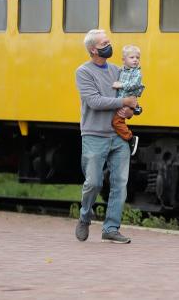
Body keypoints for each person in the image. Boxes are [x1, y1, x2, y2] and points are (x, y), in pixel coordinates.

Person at [74, 29, 139, 244]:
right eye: (105, 43)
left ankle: (111, 228)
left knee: (120, 183)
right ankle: (85, 217)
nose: (109, 45)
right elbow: (95, 101)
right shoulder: (84, 72)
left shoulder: (117, 70)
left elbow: (129, 96)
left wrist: (135, 109)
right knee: (93, 182)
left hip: (118, 136)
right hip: (94, 135)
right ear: (94, 49)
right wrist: (124, 103)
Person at [111, 45, 145, 156]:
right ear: (123, 60)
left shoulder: (136, 72)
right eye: (132, 57)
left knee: (116, 122)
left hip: (128, 100)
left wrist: (121, 85)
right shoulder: (122, 70)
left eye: (137, 58)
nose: (135, 60)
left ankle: (130, 138)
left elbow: (134, 84)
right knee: (117, 120)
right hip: (122, 100)